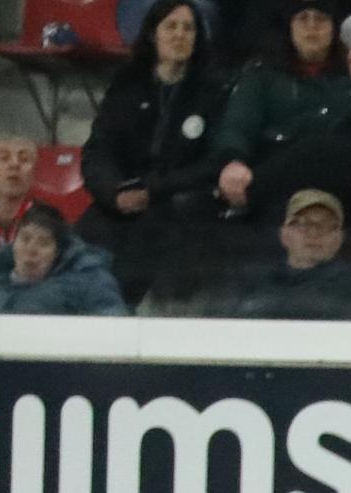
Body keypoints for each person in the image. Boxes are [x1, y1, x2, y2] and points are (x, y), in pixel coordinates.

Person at [79, 0, 231, 303]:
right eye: (171, 26)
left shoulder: (214, 91)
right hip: (120, 200)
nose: (180, 35)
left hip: (177, 202)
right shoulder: (126, 83)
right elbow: (98, 150)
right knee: (79, 245)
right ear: (153, 34)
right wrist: (114, 192)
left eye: (188, 28)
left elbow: (215, 162)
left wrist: (155, 189)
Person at [214, 0, 351, 235]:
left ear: (334, 28)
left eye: (320, 19)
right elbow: (238, 125)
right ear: (290, 26)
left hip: (345, 196)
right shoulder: (262, 75)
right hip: (281, 197)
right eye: (303, 18)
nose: (312, 26)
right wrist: (234, 161)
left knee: (333, 148)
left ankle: (252, 190)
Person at [232, 187, 351, 316]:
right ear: (284, 234)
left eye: (325, 225)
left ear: (339, 238)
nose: (314, 233)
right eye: (303, 224)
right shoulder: (253, 281)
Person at [0, 203, 125, 313]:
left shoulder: (85, 283)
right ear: (13, 245)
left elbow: (113, 326)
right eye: (25, 239)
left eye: (43, 242)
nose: (31, 250)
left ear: (57, 253)